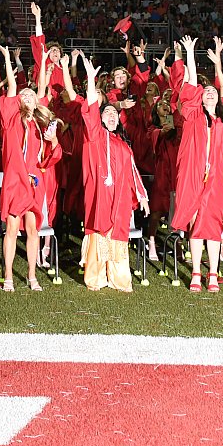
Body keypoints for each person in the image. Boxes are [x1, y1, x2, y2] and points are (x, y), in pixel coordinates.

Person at [171, 36, 223, 293]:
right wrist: (190, 54)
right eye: (207, 92)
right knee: (195, 224)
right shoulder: (193, 115)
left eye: (213, 91)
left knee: (213, 225)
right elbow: (190, 85)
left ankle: (213, 274)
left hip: (217, 181)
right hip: (194, 178)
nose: (210, 93)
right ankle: (196, 273)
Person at [77, 54, 148, 292]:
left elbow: (133, 172)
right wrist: (89, 78)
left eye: (114, 114)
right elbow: (89, 108)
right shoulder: (95, 136)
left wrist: (142, 195)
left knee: (117, 233)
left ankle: (118, 278)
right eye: (106, 113)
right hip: (100, 193)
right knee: (99, 232)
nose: (110, 115)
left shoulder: (123, 144)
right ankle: (96, 277)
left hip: (119, 198)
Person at [0, 41, 48, 292]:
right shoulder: (11, 118)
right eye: (23, 95)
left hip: (34, 180)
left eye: (31, 95)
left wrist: (45, 62)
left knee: (33, 229)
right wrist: (5, 56)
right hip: (16, 180)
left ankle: (31, 275)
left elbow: (46, 156)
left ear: (37, 102)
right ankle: (8, 276)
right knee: (12, 229)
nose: (26, 96)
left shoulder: (39, 125)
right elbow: (13, 86)